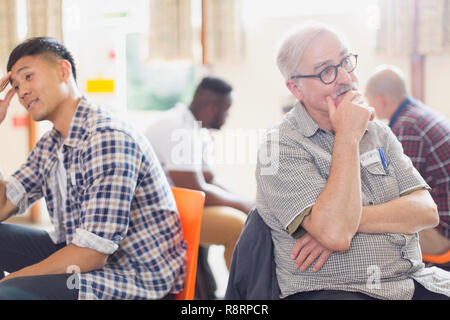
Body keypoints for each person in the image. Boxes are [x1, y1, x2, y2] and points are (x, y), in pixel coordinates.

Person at [255, 21, 450, 300]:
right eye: (326, 71)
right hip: (337, 291)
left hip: (409, 281)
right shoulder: (278, 147)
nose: (345, 77)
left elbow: (426, 211)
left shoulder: (378, 131)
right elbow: (335, 233)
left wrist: (348, 220)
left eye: (346, 61)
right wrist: (347, 136)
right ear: (296, 88)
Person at [0, 37, 186, 300]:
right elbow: (3, 204)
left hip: (131, 277)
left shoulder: (107, 137)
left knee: (9, 291)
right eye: (16, 86)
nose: (22, 92)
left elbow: (91, 255)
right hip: (84, 255)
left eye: (28, 77)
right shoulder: (52, 143)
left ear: (63, 71)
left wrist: (12, 280)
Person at [145, 77, 252, 298]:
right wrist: (244, 206)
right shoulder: (177, 128)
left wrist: (247, 202)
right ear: (213, 108)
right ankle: (244, 299)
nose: (227, 116)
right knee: (238, 227)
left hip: (181, 207)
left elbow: (209, 179)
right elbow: (196, 190)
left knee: (244, 215)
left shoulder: (196, 130)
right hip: (161, 217)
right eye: (227, 110)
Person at [365, 65, 450, 257]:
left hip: (442, 231)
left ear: (381, 100)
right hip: (445, 216)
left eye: (370, 101)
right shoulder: (420, 113)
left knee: (367, 234)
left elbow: (395, 192)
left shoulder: (407, 127)